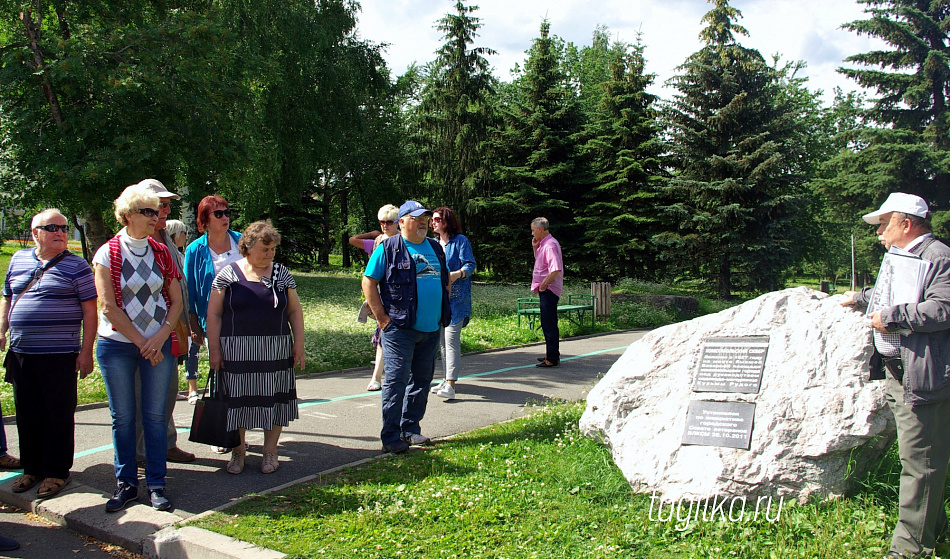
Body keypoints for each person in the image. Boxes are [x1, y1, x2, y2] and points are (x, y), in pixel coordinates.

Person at [840, 192, 950, 559]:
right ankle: (934, 529)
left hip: (924, 376)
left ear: (907, 223)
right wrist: (861, 298)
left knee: (920, 463)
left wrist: (889, 317)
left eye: (884, 225)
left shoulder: (939, 258)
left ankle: (909, 550)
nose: (878, 234)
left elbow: (941, 309)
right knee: (919, 459)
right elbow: (896, 294)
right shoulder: (907, 257)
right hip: (899, 373)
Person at [93, 183, 183, 512]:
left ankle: (156, 484)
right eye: (147, 211)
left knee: (157, 418)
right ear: (128, 216)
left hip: (156, 345)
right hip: (118, 346)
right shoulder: (108, 252)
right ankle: (126, 483)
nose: (155, 217)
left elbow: (175, 300)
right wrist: (144, 342)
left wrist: (160, 337)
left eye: (156, 211)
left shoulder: (161, 251)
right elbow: (108, 306)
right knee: (124, 418)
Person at [1, 209, 96, 499]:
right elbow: (9, 296)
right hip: (22, 352)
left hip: (60, 354)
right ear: (35, 233)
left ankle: (56, 472)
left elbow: (90, 312)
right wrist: (2, 328)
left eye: (64, 228)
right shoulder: (18, 260)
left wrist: (86, 351)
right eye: (52, 228)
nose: (61, 233)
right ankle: (32, 468)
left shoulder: (77, 266)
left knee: (58, 414)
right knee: (27, 413)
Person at [205, 221, 304, 475]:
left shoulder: (282, 274)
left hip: (276, 349)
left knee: (274, 401)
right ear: (247, 248)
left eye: (273, 249)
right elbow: (214, 314)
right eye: (264, 249)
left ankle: (270, 450)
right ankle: (239, 451)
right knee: (237, 401)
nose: (269, 254)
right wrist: (214, 351)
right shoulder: (227, 275)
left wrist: (299, 343)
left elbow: (294, 310)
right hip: (236, 351)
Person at [362, 200, 451, 454]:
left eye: (425, 217)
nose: (423, 221)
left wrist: (442, 309)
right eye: (416, 218)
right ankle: (391, 436)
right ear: (401, 222)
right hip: (400, 328)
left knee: (421, 382)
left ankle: (410, 429)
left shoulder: (435, 247)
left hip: (431, 328)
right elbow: (368, 282)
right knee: (396, 382)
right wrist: (382, 319)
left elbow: (444, 281)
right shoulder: (389, 247)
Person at [134, 180, 194, 465]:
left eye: (168, 204)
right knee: (143, 397)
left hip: (172, 329)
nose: (167, 210)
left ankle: (165, 444)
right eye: (161, 205)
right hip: (147, 333)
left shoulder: (165, 237)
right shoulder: (138, 242)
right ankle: (141, 454)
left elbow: (178, 285)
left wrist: (185, 324)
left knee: (168, 391)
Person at [184, 195, 242, 415]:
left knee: (243, 373)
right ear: (204, 220)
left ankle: (239, 428)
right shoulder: (194, 250)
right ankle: (222, 429)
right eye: (218, 214)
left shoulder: (242, 241)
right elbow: (189, 290)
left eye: (227, 212)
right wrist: (192, 325)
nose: (225, 217)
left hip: (245, 317)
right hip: (213, 319)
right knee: (219, 368)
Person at [350, 204, 399, 391]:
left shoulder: (405, 241)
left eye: (389, 222)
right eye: (382, 222)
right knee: (383, 335)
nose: (385, 225)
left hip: (398, 296)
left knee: (395, 336)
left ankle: (387, 376)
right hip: (380, 296)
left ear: (398, 223)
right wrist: (371, 234)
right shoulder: (377, 241)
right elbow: (352, 239)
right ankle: (377, 376)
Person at [429, 206, 476, 400]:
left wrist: (457, 274)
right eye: (432, 219)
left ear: (447, 221)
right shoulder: (432, 243)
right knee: (442, 342)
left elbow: (470, 264)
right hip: (439, 300)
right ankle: (446, 379)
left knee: (451, 341)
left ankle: (451, 384)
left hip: (457, 300)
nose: (434, 222)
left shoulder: (460, 241)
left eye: (438, 219)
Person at [530, 217, 563, 368]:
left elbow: (555, 269)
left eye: (533, 230)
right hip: (546, 289)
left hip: (549, 289)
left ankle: (552, 358)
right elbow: (542, 264)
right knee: (547, 322)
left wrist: (544, 284)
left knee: (548, 323)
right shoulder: (544, 244)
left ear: (540, 229)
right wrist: (535, 248)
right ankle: (551, 353)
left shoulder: (549, 245)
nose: (532, 234)